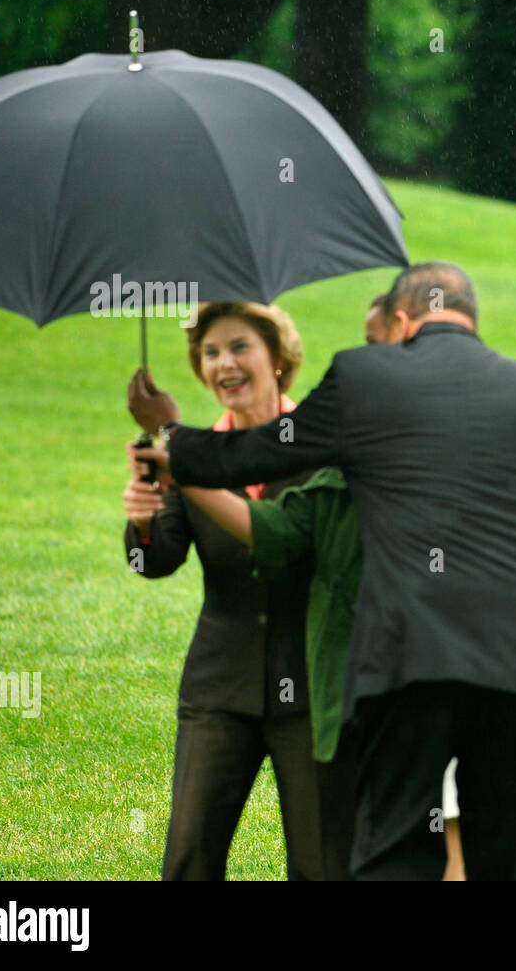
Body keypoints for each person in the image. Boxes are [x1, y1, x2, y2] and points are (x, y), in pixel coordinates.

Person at [128, 261, 516, 880]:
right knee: (509, 863)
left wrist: (170, 437)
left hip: (406, 661)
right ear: (470, 318)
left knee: (395, 854)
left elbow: (261, 447)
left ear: (399, 318)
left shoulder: (365, 378)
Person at [122, 300, 349, 880]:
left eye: (239, 347)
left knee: (322, 864)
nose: (224, 363)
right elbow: (152, 562)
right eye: (210, 352)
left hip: (312, 687)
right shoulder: (191, 453)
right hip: (219, 685)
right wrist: (142, 521)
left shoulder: (322, 445)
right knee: (190, 858)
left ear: (278, 358)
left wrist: (179, 451)